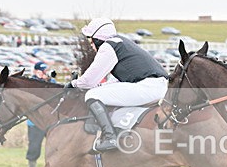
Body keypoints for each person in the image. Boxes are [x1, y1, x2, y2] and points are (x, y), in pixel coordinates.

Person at [67, 18, 168, 153]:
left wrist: (73, 84)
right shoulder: (121, 44)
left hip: (148, 87)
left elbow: (88, 81)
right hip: (156, 86)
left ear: (97, 38)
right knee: (98, 92)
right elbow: (113, 82)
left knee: (92, 95)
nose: (91, 44)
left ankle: (110, 137)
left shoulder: (108, 47)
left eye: (91, 40)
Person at [25, 61, 54, 167]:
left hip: (50, 121)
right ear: (35, 71)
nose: (44, 73)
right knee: (34, 146)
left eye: (45, 71)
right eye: (42, 71)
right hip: (34, 122)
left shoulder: (51, 82)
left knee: (54, 146)